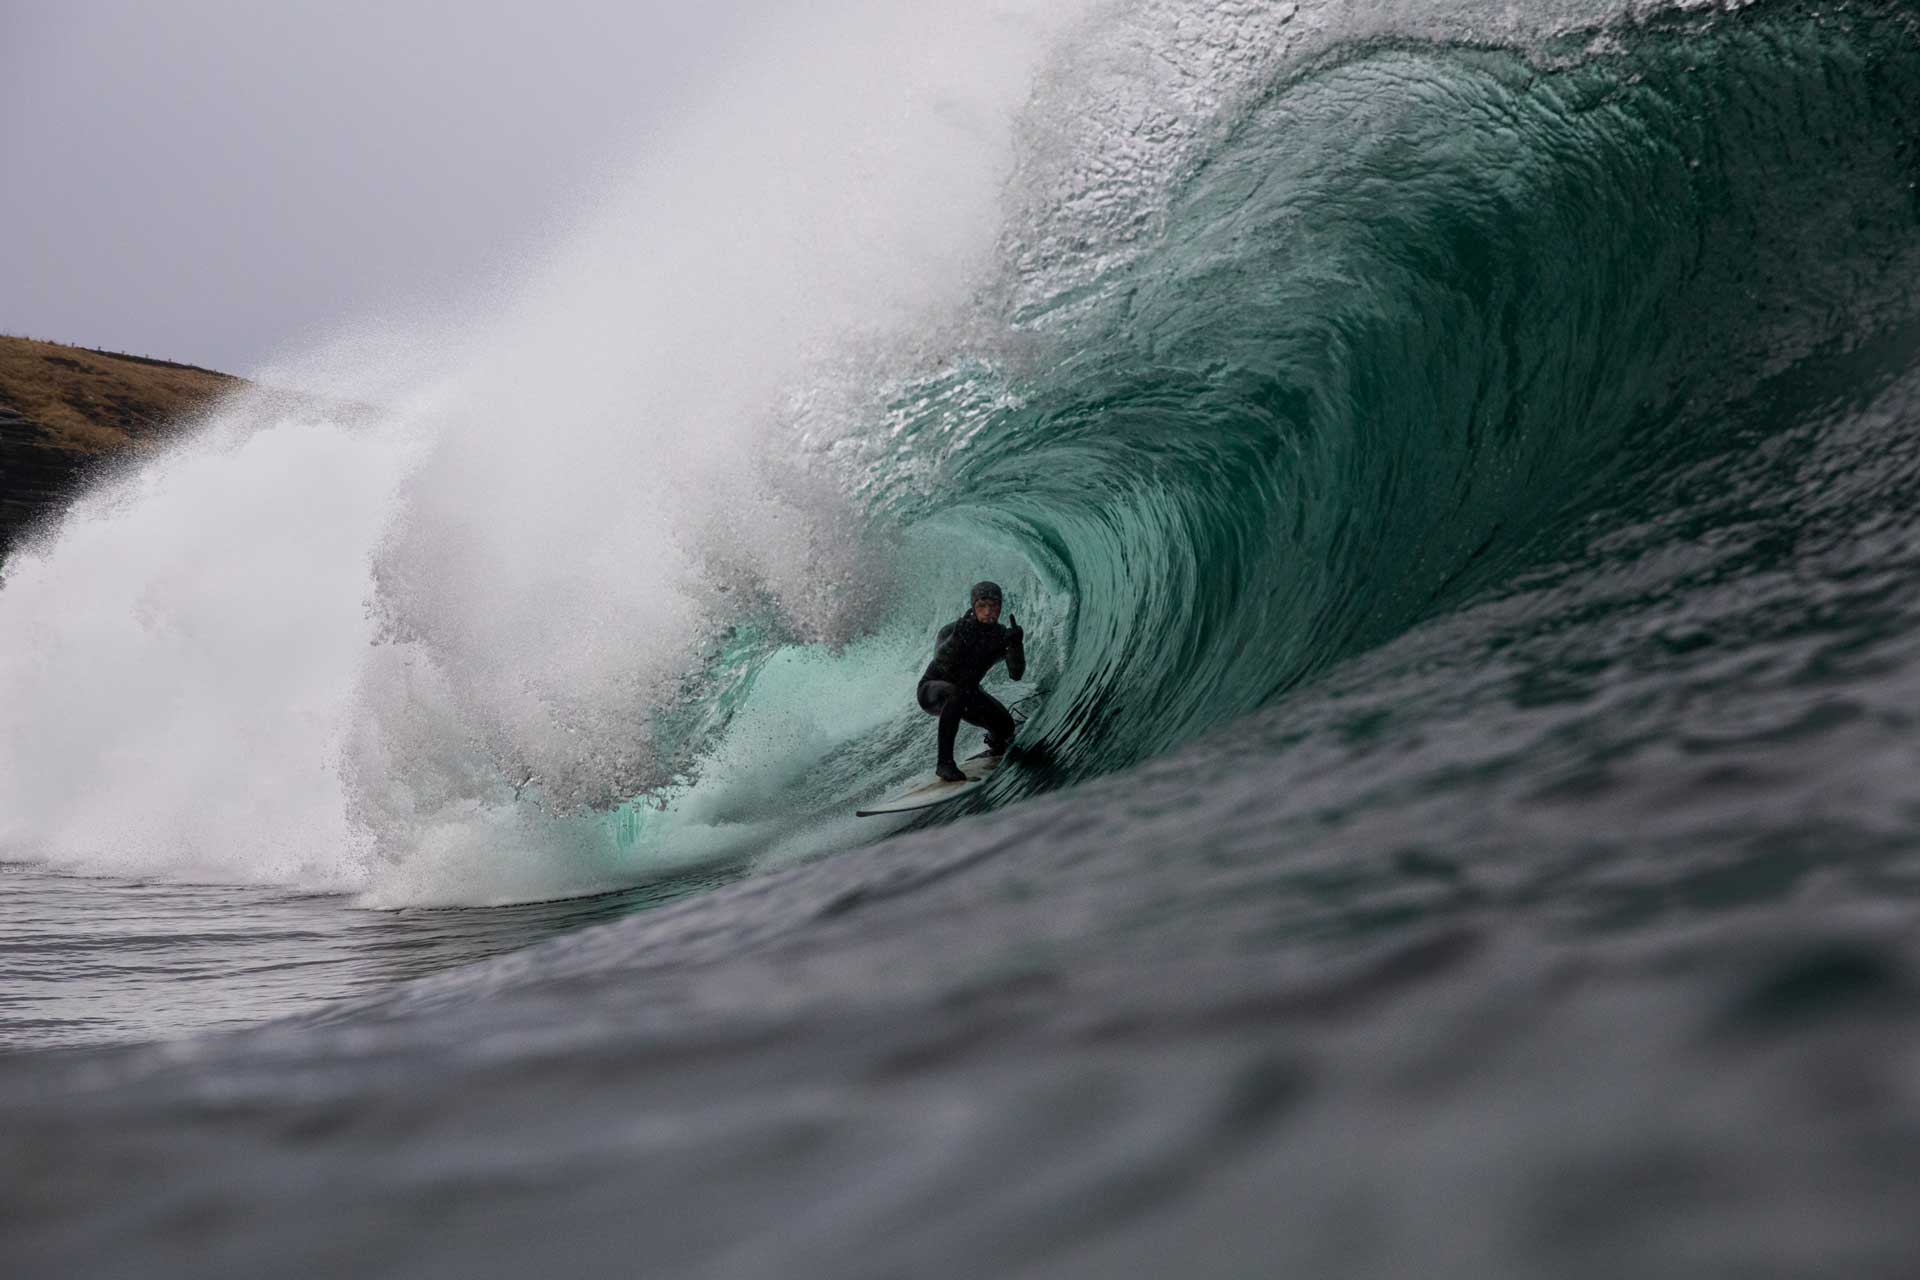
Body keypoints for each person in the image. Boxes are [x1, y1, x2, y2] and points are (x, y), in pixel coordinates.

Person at [918, 580, 1026, 782]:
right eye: (981, 606)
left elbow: (1016, 674)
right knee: (955, 693)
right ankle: (945, 764)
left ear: (1000, 607)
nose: (987, 612)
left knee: (1006, 728)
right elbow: (941, 663)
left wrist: (1016, 645)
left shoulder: (1000, 636)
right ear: (973, 607)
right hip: (932, 691)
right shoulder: (954, 629)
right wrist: (957, 639)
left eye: (993, 606)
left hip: (968, 693)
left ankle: (994, 744)